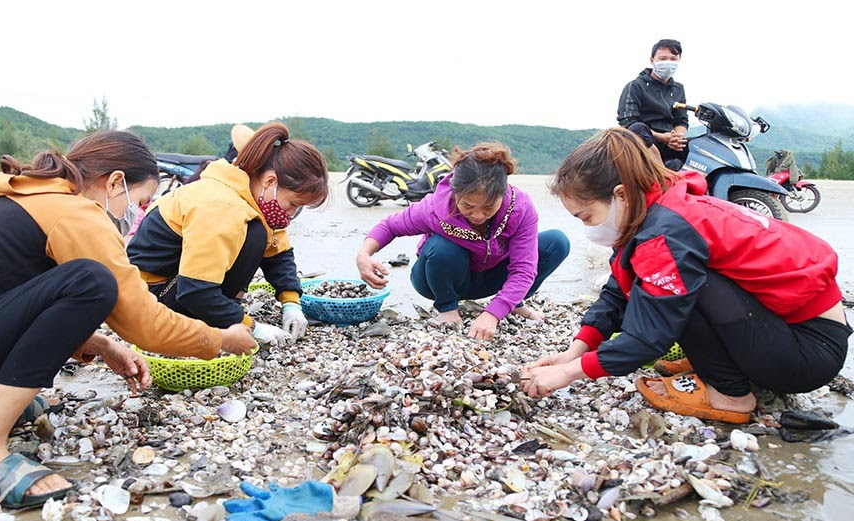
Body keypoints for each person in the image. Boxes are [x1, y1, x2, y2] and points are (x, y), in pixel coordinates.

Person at [0, 131, 256, 509]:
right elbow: (143, 324)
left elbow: (4, 302)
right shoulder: (75, 214)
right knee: (91, 281)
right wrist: (221, 338)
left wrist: (96, 343)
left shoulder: (30, 200)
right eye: (143, 199)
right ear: (115, 183)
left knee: (77, 281)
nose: (141, 211)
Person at [523, 128, 850, 423]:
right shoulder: (658, 205)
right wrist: (576, 350)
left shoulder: (665, 234)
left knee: (680, 286)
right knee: (666, 279)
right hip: (786, 329)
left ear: (620, 195)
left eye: (586, 216)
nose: (587, 227)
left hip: (808, 352)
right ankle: (724, 368)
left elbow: (648, 338)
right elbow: (618, 288)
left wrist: (569, 373)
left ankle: (731, 395)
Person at [127, 122, 329, 346]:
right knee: (254, 234)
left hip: (177, 286)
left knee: (260, 231)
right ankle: (215, 315)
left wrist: (291, 303)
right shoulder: (222, 205)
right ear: (270, 181)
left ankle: (221, 311)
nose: (291, 214)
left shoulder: (249, 194)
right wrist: (250, 326)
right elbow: (195, 291)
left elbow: (278, 253)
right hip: (149, 301)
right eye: (293, 204)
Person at [356, 142, 570, 340]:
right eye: (468, 206)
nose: (478, 215)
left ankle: (513, 303)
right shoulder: (434, 208)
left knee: (556, 242)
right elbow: (390, 226)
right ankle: (448, 308)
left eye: (488, 207)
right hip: (438, 280)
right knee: (443, 247)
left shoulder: (519, 208)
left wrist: (493, 314)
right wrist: (364, 254)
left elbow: (524, 269)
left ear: (502, 195)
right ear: (455, 193)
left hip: (490, 277)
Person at [617, 38, 689, 167]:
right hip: (644, 141)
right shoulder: (635, 86)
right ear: (652, 60)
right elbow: (628, 122)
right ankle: (661, 171)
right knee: (637, 128)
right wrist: (662, 137)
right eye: (663, 59)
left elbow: (681, 120)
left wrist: (677, 137)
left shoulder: (678, 89)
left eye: (673, 59)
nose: (668, 62)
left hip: (669, 143)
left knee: (698, 145)